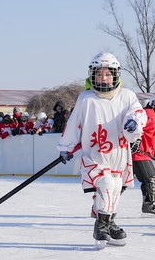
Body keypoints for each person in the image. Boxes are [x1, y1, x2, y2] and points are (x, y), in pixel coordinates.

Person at [58, 52, 145, 249]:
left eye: (108, 74)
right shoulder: (86, 98)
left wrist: (134, 125)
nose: (103, 78)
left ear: (115, 75)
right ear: (92, 76)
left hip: (119, 155)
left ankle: (109, 222)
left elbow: (138, 113)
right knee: (106, 183)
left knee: (115, 187)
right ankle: (101, 225)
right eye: (99, 74)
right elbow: (74, 124)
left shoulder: (127, 96)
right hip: (95, 155)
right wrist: (66, 146)